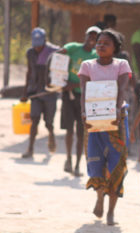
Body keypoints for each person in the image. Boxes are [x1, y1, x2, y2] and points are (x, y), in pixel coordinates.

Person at [78, 29, 131, 226]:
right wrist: (84, 113)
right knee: (96, 160)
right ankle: (100, 197)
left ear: (115, 47)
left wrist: (117, 111)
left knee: (117, 163)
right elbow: (84, 91)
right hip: (93, 121)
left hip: (117, 120)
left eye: (106, 43)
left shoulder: (121, 65)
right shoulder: (87, 65)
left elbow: (123, 89)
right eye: (99, 42)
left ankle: (111, 211)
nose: (100, 45)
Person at [57, 26, 100, 176]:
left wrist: (73, 84)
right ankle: (68, 159)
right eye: (90, 36)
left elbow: (92, 79)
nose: (92, 39)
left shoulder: (96, 56)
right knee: (69, 129)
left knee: (81, 133)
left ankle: (77, 165)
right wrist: (59, 79)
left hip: (85, 98)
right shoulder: (73, 48)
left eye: (95, 37)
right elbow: (59, 54)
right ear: (86, 36)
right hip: (69, 96)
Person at [20, 27, 59, 158]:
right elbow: (29, 72)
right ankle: (30, 149)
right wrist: (25, 92)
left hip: (49, 93)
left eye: (40, 45)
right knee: (34, 119)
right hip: (35, 92)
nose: (37, 48)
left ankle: (51, 135)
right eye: (35, 45)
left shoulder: (54, 51)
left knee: (48, 122)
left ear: (45, 41)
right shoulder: (30, 53)